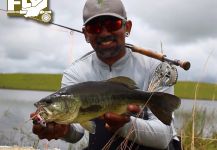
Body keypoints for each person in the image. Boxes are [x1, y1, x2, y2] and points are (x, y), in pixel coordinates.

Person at [31, 0, 181, 149]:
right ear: (86, 34)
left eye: (112, 24)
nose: (104, 33)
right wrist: (64, 131)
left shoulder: (156, 67)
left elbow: (163, 137)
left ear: (127, 27)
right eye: (94, 27)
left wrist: (124, 124)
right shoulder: (75, 73)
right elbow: (77, 133)